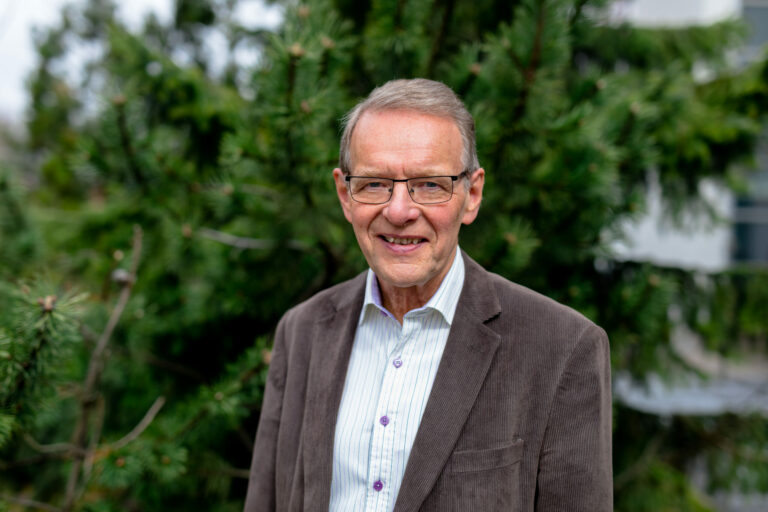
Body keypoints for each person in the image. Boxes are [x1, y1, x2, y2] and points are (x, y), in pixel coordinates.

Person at [244, 78, 612, 512]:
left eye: (430, 184)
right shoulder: (301, 332)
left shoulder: (562, 348)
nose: (399, 211)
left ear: (471, 195)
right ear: (345, 195)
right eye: (375, 184)